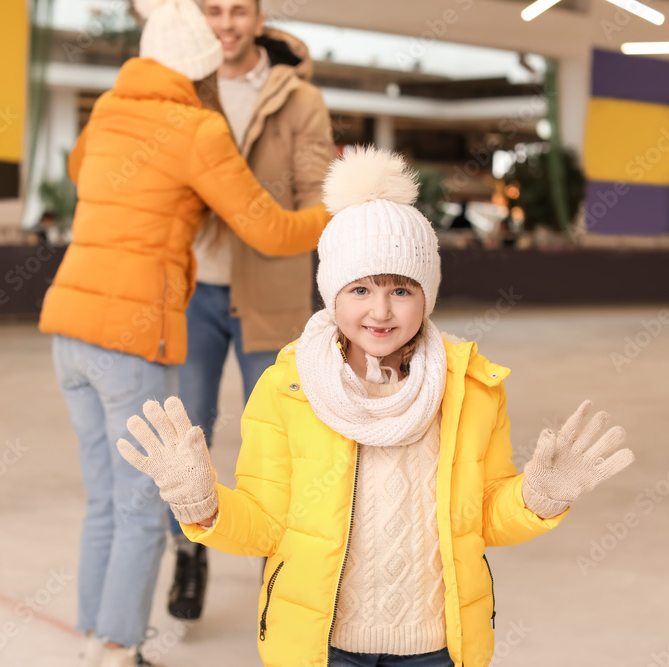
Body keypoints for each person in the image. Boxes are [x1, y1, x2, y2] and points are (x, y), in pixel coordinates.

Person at [116, 146, 635, 667]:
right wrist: (203, 507)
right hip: (326, 647)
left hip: (436, 647)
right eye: (360, 288)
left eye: (401, 289)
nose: (381, 311)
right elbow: (268, 526)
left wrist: (539, 497)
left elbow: (482, 520)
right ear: (331, 294)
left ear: (426, 294)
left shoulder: (472, 388)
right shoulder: (287, 389)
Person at [38, 0, 332, 664]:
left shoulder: (110, 108)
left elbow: (83, 171)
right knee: (145, 501)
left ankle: (94, 633)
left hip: (69, 331)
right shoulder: (196, 129)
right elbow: (268, 229)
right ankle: (119, 646)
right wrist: (338, 211)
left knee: (105, 498)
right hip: (132, 336)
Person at [167, 0, 335, 621]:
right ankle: (189, 554)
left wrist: (268, 227)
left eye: (238, 10)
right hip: (192, 293)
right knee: (187, 438)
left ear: (259, 19)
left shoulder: (300, 100)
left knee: (278, 443)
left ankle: (280, 571)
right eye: (213, 10)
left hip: (270, 292)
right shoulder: (183, 89)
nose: (226, 24)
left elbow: (318, 200)